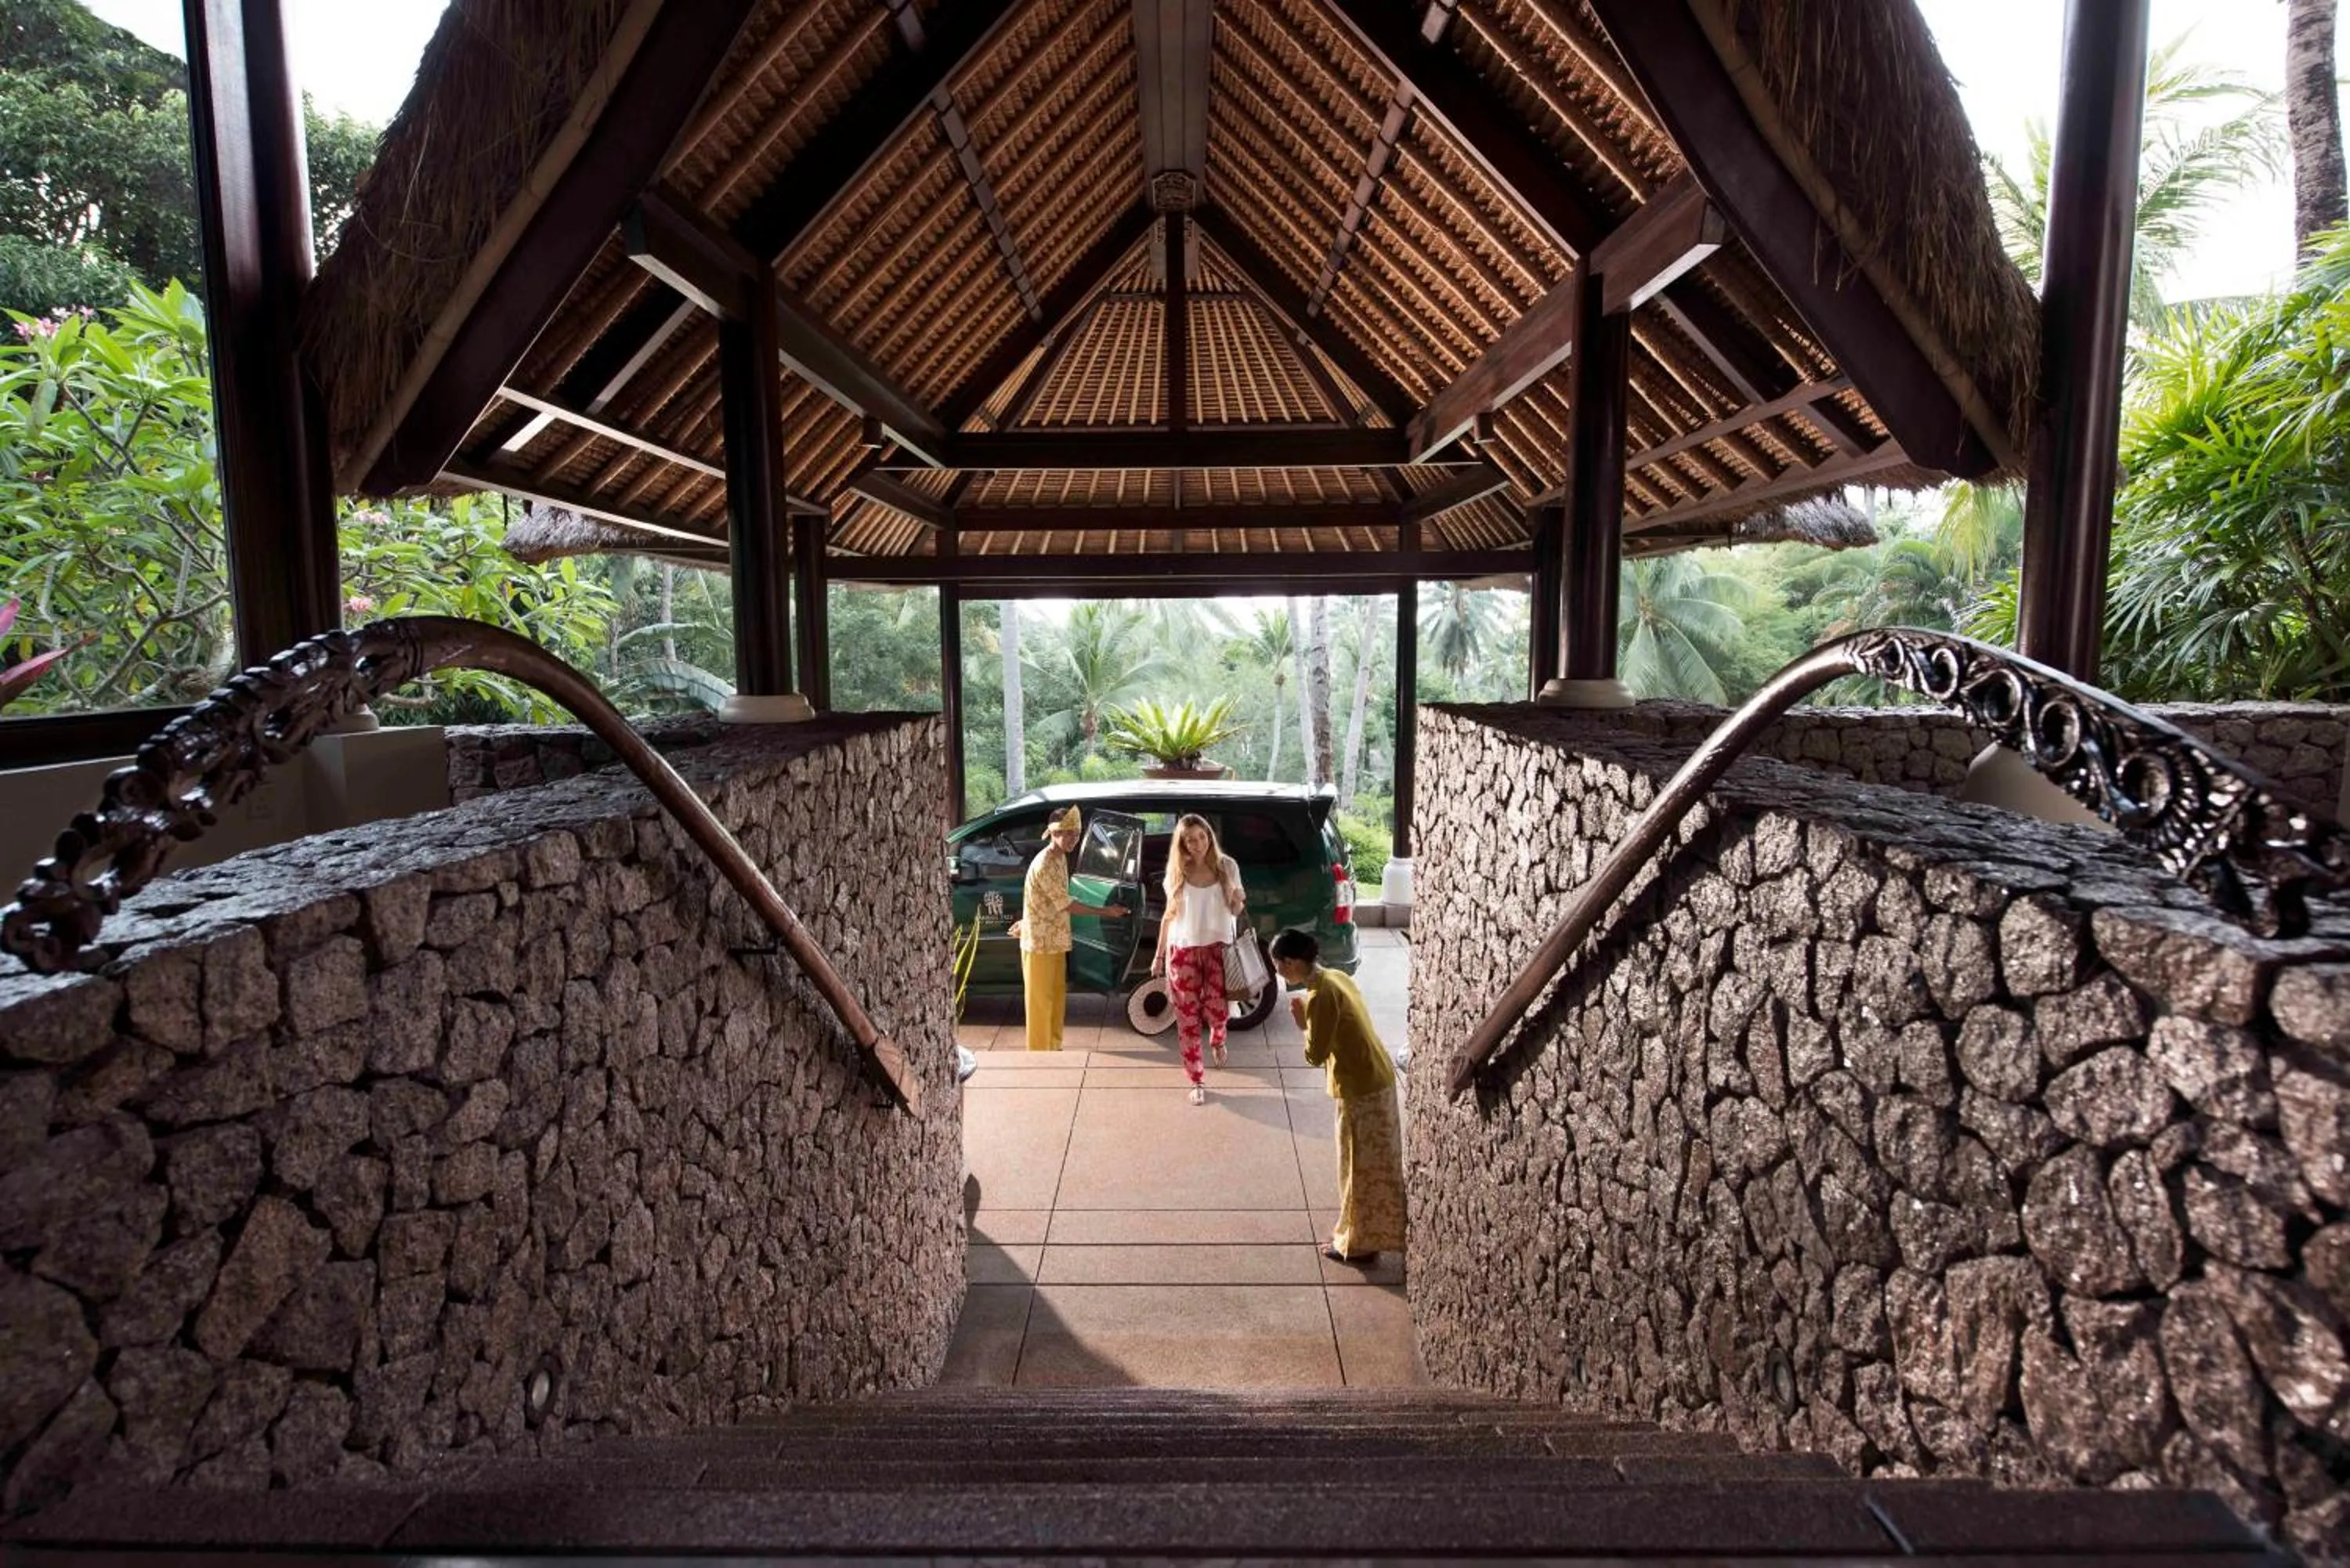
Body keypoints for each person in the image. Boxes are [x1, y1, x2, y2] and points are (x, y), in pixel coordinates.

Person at [1270, 927, 1405, 1263]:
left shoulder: (1321, 996)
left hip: (1359, 1088)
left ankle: (1357, 1244)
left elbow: (1315, 1055)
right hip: (1377, 1077)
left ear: (1290, 963)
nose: (1276, 971)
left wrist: (1303, 1024)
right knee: (1376, 1166)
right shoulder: (1336, 977)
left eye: (1277, 964)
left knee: (1356, 1166)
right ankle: (1367, 1234)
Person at [1007, 805, 1126, 1052]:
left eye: (1076, 833)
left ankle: (1053, 1047)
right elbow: (1066, 904)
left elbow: (1041, 897)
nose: (1073, 839)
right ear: (1053, 833)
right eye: (1068, 833)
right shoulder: (1045, 863)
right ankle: (1039, 1053)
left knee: (1056, 999)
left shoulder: (1059, 857)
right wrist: (1105, 911)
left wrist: (1026, 919)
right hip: (1040, 944)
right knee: (1040, 1003)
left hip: (1055, 940)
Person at [1151, 813, 1247, 1105]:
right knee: (1187, 1021)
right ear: (1181, 844)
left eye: (1201, 837)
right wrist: (1159, 955)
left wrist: (1239, 898)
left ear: (1210, 836)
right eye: (1189, 840)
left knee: (1219, 1013)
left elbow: (1235, 911)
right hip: (1183, 953)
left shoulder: (1226, 866)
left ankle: (1218, 1039)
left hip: (1219, 950)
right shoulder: (1177, 872)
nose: (1197, 844)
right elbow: (1169, 916)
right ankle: (1196, 1079)